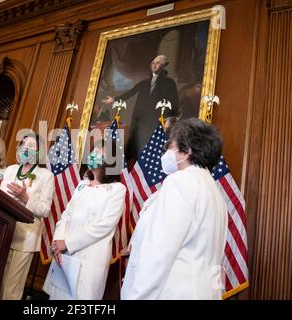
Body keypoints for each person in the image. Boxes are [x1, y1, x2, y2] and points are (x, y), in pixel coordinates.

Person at [121, 118, 228, 300]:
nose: (167, 153)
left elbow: (159, 252)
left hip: (169, 292)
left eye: (171, 147)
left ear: (187, 151)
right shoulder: (216, 195)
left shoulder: (180, 182)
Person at [42, 145, 126, 300]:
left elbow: (104, 226)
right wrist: (57, 243)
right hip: (64, 253)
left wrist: (67, 243)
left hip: (90, 259)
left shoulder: (118, 189)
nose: (92, 155)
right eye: (92, 152)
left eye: (98, 153)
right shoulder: (82, 185)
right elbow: (66, 215)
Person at [0, 132, 54, 300]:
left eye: (31, 146)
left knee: (10, 291)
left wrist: (25, 198)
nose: (26, 148)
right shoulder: (10, 170)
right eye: (23, 145)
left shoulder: (46, 176)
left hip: (25, 237)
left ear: (40, 152)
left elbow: (45, 210)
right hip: (3, 231)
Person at [102, 55, 179, 160]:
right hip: (140, 120)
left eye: (158, 62)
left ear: (163, 65)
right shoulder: (144, 83)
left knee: (151, 149)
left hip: (156, 121)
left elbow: (174, 101)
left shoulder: (169, 82)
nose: (154, 65)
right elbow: (130, 92)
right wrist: (114, 99)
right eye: (153, 63)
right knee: (136, 147)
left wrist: (170, 118)